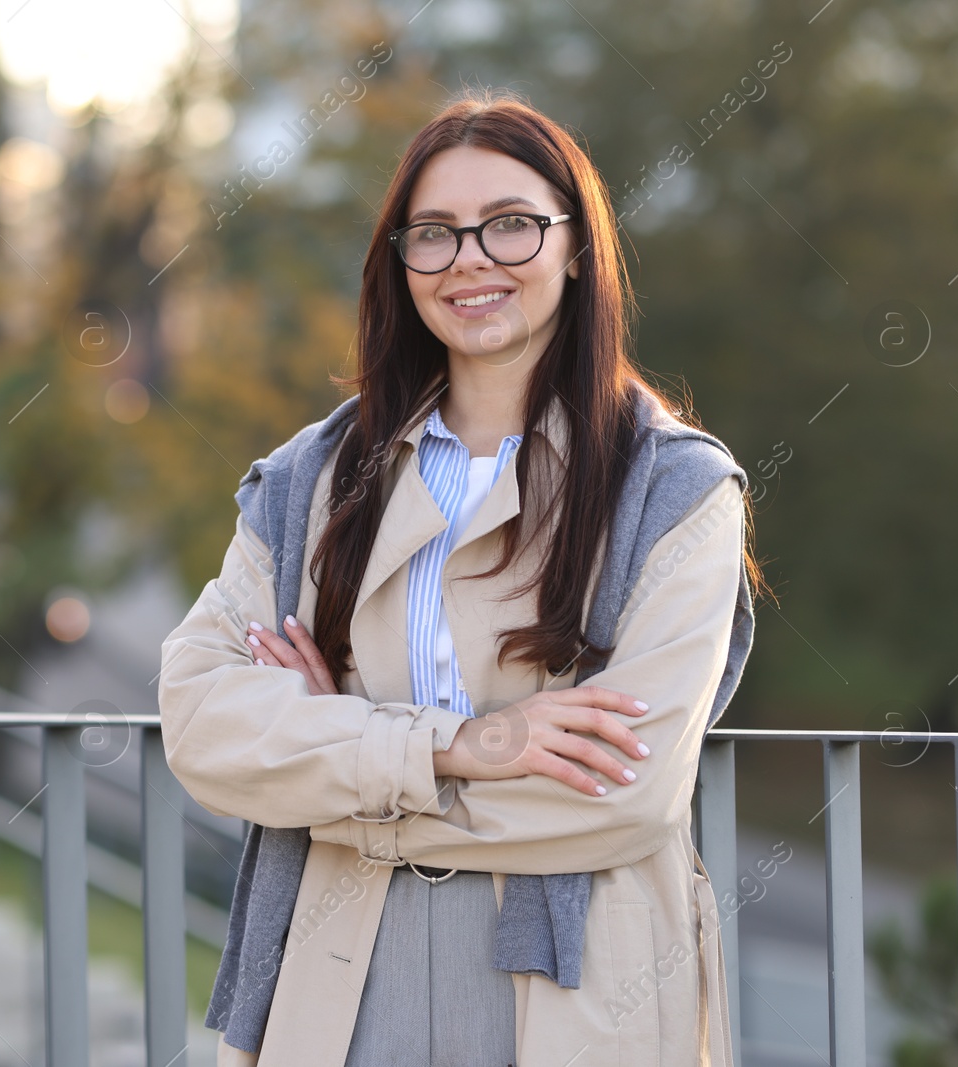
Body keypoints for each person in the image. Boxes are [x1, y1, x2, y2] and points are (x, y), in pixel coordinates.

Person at [158, 89, 766, 1067]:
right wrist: (473, 744)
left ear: (575, 247)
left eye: (511, 225)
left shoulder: (674, 488)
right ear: (398, 264)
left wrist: (341, 767)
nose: (470, 259)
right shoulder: (310, 480)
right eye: (433, 234)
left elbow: (622, 792)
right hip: (336, 970)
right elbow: (200, 723)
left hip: (573, 984)